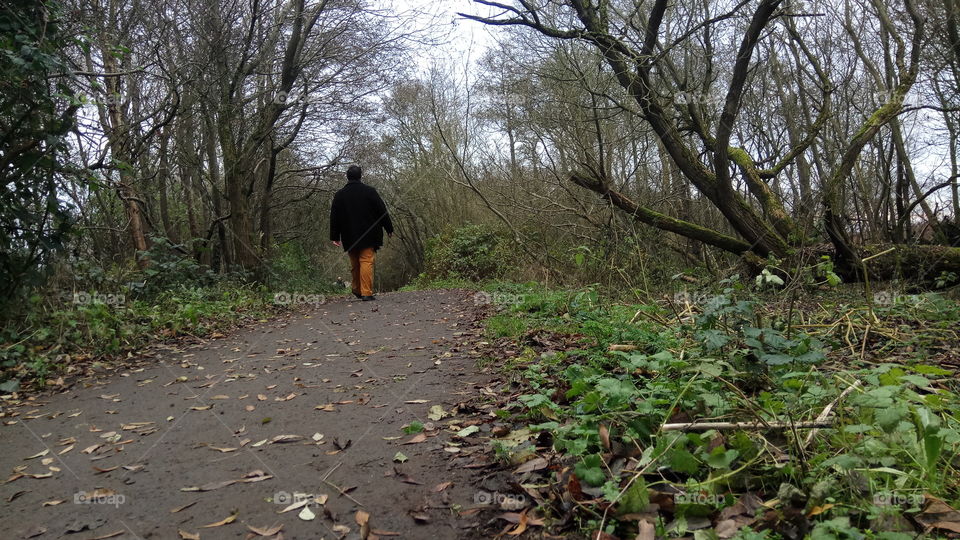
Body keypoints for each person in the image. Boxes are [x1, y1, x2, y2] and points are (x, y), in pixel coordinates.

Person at [329, 165, 393, 301]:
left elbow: (334, 216)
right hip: (369, 234)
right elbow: (382, 211)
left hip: (349, 235)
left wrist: (335, 236)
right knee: (366, 261)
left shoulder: (340, 195)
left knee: (355, 263)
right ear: (360, 176)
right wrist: (389, 228)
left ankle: (357, 289)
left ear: (347, 177)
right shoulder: (369, 192)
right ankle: (366, 292)